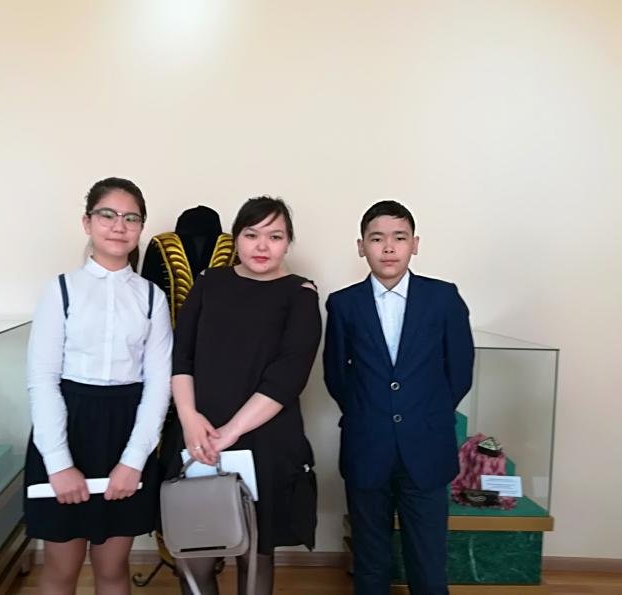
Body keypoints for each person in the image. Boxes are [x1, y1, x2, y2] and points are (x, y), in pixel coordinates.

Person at [166, 196, 321, 595]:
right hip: (198, 436)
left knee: (254, 557)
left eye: (275, 236)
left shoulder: (301, 294)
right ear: (235, 239)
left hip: (264, 440)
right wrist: (188, 417)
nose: (262, 245)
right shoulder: (209, 283)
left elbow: (287, 377)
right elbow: (181, 355)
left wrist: (231, 432)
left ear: (288, 242)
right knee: (193, 554)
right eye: (252, 235)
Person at [24, 177, 172, 595]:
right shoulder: (61, 290)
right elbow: (42, 378)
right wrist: (58, 462)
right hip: (66, 426)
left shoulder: (152, 297)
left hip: (126, 430)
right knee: (61, 570)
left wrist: (134, 460)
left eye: (131, 218)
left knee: (112, 568)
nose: (119, 226)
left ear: (141, 227)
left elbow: (158, 386)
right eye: (107, 215)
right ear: (87, 222)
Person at [323, 200, 474, 595]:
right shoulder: (343, 303)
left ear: (415, 244)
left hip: (426, 446)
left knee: (428, 560)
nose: (388, 247)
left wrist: (426, 413)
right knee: (370, 560)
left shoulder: (443, 298)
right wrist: (368, 413)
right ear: (361, 247)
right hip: (366, 446)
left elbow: (460, 371)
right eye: (377, 239)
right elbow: (336, 375)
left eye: (399, 238)